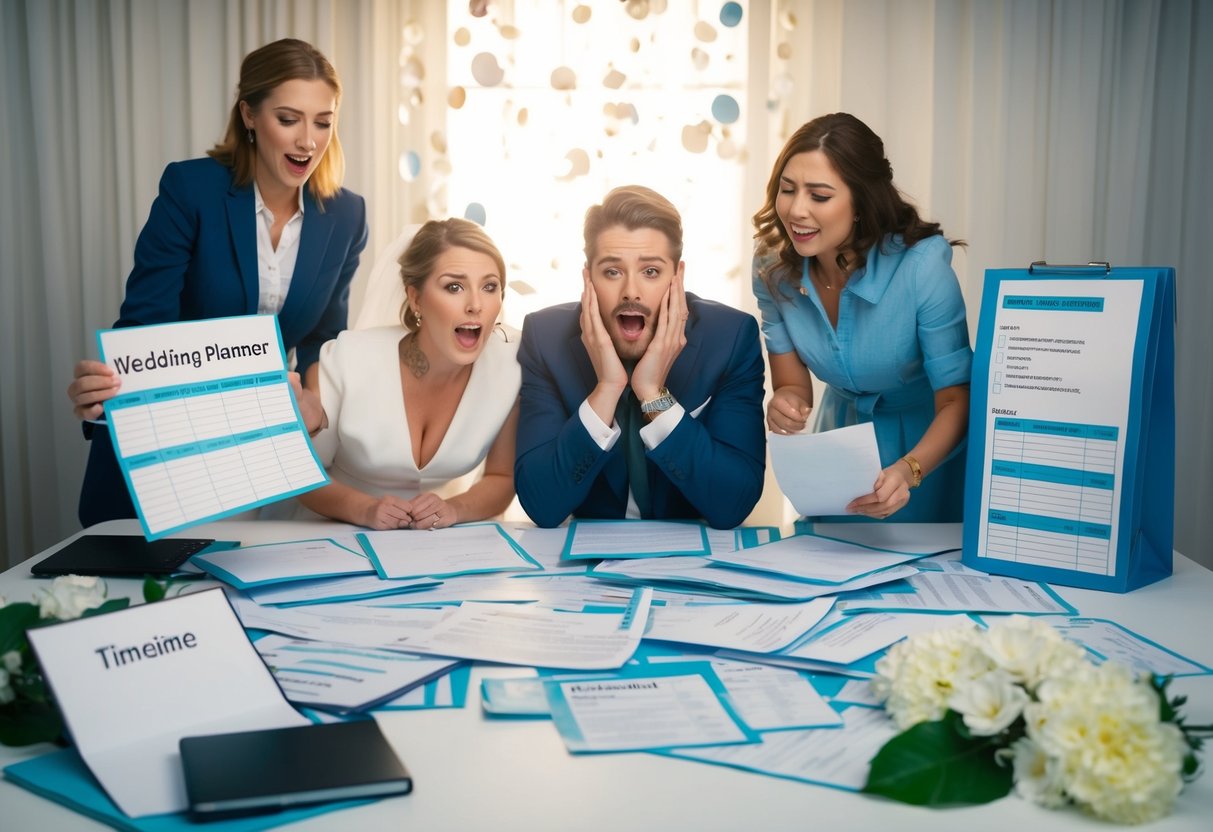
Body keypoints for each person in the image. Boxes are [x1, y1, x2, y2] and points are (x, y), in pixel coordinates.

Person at [66, 38, 368, 527]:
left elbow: (321, 342)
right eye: (288, 119)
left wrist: (316, 403)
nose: (308, 141)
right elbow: (146, 326)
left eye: (323, 121)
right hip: (168, 449)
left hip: (262, 453)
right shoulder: (191, 189)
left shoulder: (346, 215)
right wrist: (105, 397)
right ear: (249, 115)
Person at [752, 112, 972, 522]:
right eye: (787, 189)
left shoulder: (921, 268)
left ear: (860, 203)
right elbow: (792, 384)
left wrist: (911, 470)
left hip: (927, 448)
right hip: (841, 444)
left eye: (819, 196)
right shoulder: (772, 266)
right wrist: (786, 402)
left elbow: (957, 399)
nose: (796, 210)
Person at [515, 185, 765, 530]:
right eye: (612, 272)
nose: (631, 291)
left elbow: (733, 504)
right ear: (588, 278)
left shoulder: (731, 338)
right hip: (584, 568)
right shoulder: (545, 338)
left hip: (690, 566)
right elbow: (542, 505)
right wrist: (607, 387)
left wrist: (652, 393)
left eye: (650, 272)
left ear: (677, 278)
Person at [295, 218, 519, 529]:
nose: (476, 305)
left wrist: (453, 510)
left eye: (489, 286)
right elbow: (300, 473)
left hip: (422, 547)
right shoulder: (349, 357)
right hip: (321, 530)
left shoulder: (511, 364)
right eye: (454, 286)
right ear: (415, 298)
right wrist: (364, 509)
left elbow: (501, 477)